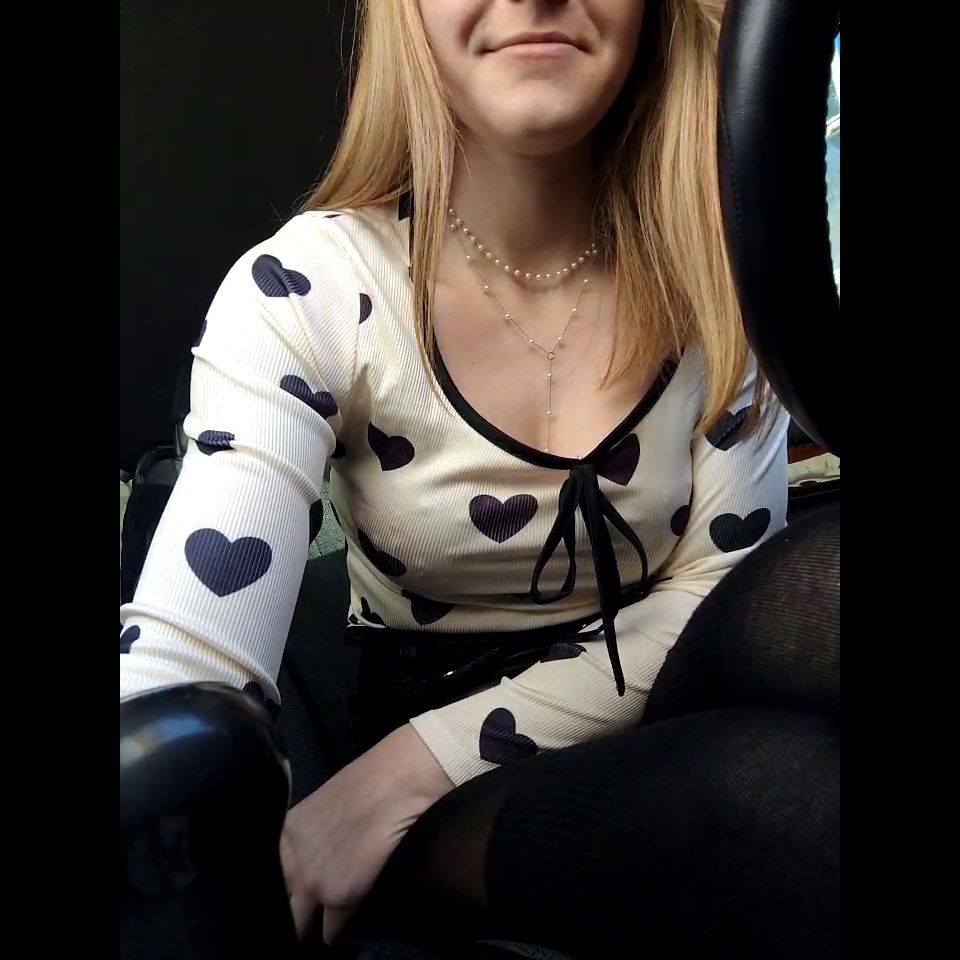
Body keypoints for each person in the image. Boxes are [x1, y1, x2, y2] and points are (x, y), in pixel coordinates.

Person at [120, 0, 815, 951]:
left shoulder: (719, 271)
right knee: (779, 803)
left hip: (649, 700)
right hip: (458, 772)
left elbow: (718, 593)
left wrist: (404, 771)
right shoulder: (311, 289)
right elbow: (183, 674)